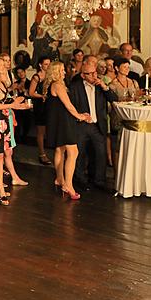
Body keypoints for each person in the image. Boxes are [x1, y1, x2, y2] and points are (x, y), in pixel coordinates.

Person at [0, 57, 31, 205]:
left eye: (2, 64)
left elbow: (5, 102)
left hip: (5, 122)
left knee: (4, 154)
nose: (2, 66)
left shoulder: (2, 83)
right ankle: (1, 191)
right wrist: (13, 106)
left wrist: (19, 105)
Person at [44, 62, 90, 200]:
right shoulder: (57, 85)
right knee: (73, 151)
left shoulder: (56, 85)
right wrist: (80, 116)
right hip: (63, 123)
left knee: (60, 149)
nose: (64, 72)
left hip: (58, 122)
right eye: (62, 70)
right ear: (56, 72)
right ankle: (68, 185)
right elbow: (68, 106)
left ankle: (59, 179)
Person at [68, 59, 117, 191]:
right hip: (81, 125)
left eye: (94, 73)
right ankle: (81, 180)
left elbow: (114, 99)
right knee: (81, 154)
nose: (93, 76)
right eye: (89, 74)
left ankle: (99, 180)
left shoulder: (101, 86)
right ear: (83, 75)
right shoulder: (75, 87)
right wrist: (79, 117)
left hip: (98, 125)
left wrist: (105, 87)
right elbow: (70, 106)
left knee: (100, 154)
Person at [28, 56, 53, 165]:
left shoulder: (51, 76)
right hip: (40, 105)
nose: (48, 66)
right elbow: (31, 92)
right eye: (46, 64)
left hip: (50, 105)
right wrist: (41, 96)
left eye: (49, 64)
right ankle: (42, 153)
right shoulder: (36, 77)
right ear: (40, 65)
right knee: (41, 131)